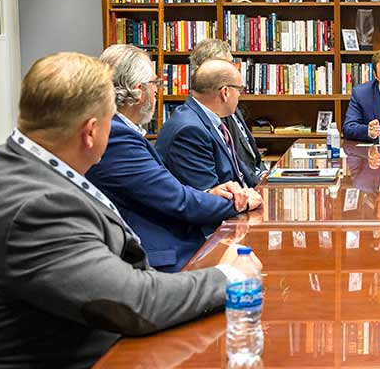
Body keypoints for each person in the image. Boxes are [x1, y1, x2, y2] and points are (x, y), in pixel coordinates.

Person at [0, 52, 261, 369]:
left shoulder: (23, 165)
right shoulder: (36, 205)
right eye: (113, 121)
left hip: (89, 353)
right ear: (92, 131)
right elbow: (135, 302)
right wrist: (228, 276)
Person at [86, 45, 261, 272]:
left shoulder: (122, 131)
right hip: (162, 257)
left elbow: (164, 190)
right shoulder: (116, 137)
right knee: (250, 270)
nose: (158, 90)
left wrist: (210, 193)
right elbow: (179, 202)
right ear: (138, 90)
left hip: (174, 240)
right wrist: (240, 202)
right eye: (155, 83)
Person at [157, 59, 252, 192]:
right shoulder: (190, 131)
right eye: (239, 89)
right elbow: (209, 195)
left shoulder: (211, 119)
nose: (239, 95)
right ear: (225, 92)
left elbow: (239, 172)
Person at [189, 37, 266, 186]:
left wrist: (263, 174)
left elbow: (249, 156)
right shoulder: (207, 117)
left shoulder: (228, 105)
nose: (235, 68)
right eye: (230, 63)